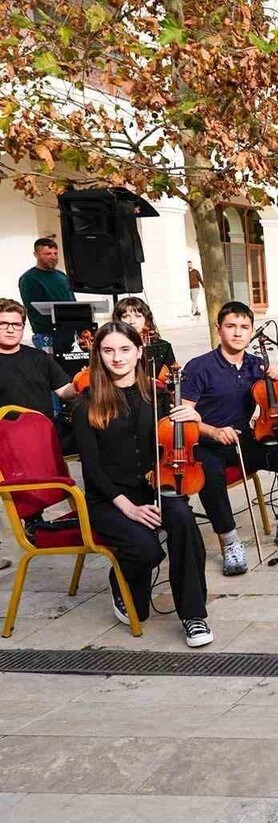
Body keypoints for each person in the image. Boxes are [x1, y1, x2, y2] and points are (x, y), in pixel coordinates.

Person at [70, 322, 213, 647]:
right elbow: (92, 470)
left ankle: (194, 615)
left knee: (183, 520)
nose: (117, 357)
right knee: (147, 552)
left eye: (124, 349)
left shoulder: (160, 396)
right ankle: (120, 579)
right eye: (108, 350)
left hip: (154, 486)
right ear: (98, 355)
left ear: (138, 352)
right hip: (110, 498)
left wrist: (193, 421)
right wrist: (128, 508)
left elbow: (175, 444)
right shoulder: (86, 402)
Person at [181, 301, 278, 575]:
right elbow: (185, 416)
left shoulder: (257, 366)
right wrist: (213, 431)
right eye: (231, 326)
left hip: (243, 438)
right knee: (210, 474)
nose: (237, 333)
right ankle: (230, 542)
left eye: (244, 327)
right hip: (205, 441)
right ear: (218, 329)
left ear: (252, 331)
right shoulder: (199, 367)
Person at [0, 298, 77, 452]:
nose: (11, 330)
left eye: (16, 325)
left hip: (42, 436)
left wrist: (83, 382)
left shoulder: (39, 357)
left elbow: (64, 391)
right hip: (5, 440)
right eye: (3, 324)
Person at [17, 237, 74, 352]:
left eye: (55, 253)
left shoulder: (62, 276)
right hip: (47, 335)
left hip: (71, 332)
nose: (53, 257)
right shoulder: (29, 278)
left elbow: (72, 301)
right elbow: (34, 309)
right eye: (48, 253)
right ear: (36, 254)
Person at [113, 297, 178, 372]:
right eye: (125, 317)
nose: (132, 321)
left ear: (146, 319)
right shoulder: (112, 345)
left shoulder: (163, 346)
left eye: (137, 316)